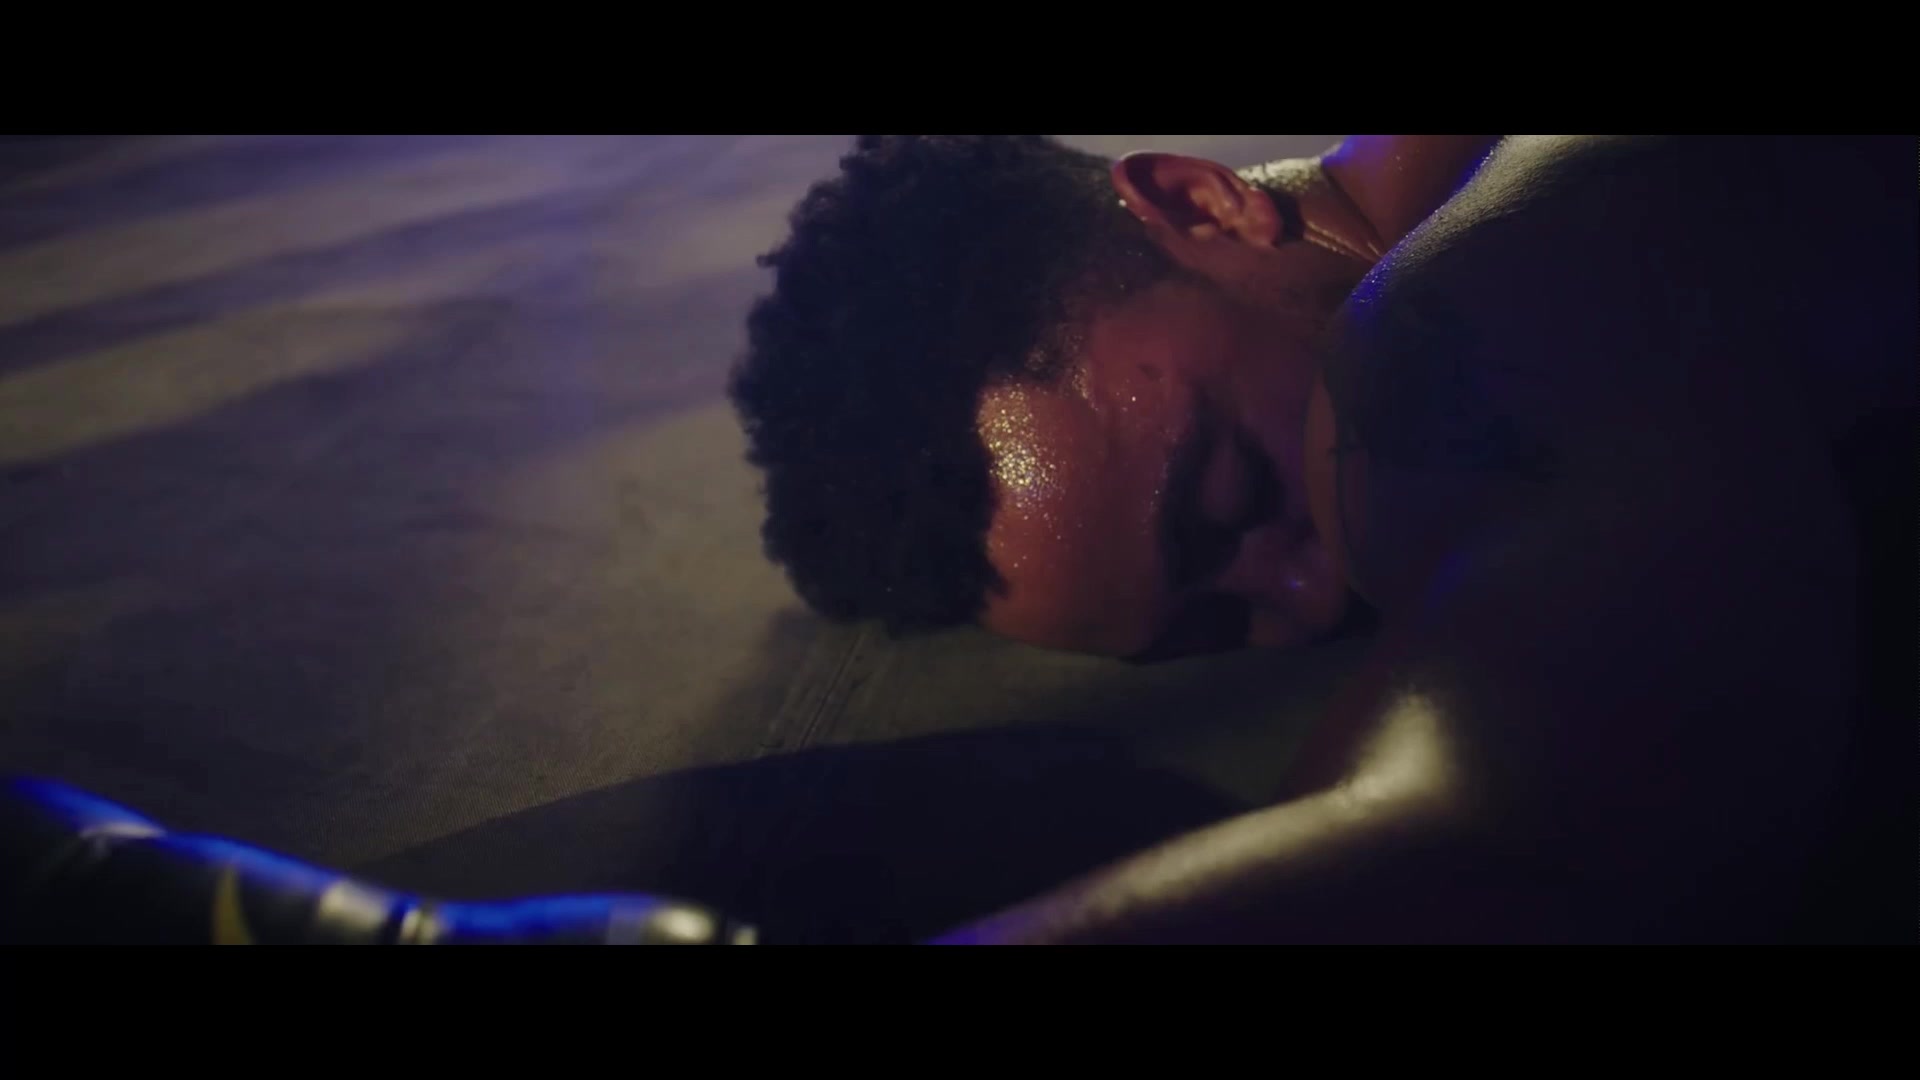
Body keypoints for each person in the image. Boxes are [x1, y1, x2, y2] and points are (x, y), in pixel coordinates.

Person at [730, 135, 1916, 942]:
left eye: (1234, 493)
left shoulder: (1477, 285)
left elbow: (1514, 834)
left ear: (1201, 204)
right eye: (1219, 625)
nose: (1316, 595)